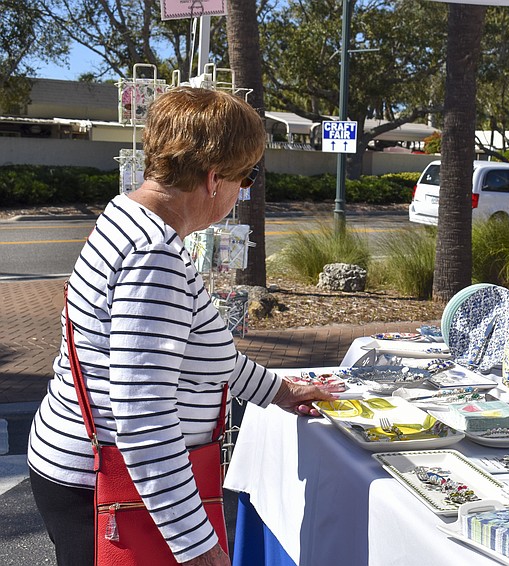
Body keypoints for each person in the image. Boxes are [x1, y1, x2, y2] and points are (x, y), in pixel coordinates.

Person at [27, 87, 335, 566]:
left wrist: (279, 391)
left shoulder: (125, 217)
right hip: (111, 489)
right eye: (246, 177)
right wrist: (198, 548)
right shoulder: (155, 258)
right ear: (214, 179)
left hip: (86, 470)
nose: (244, 191)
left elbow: (197, 353)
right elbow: (143, 419)